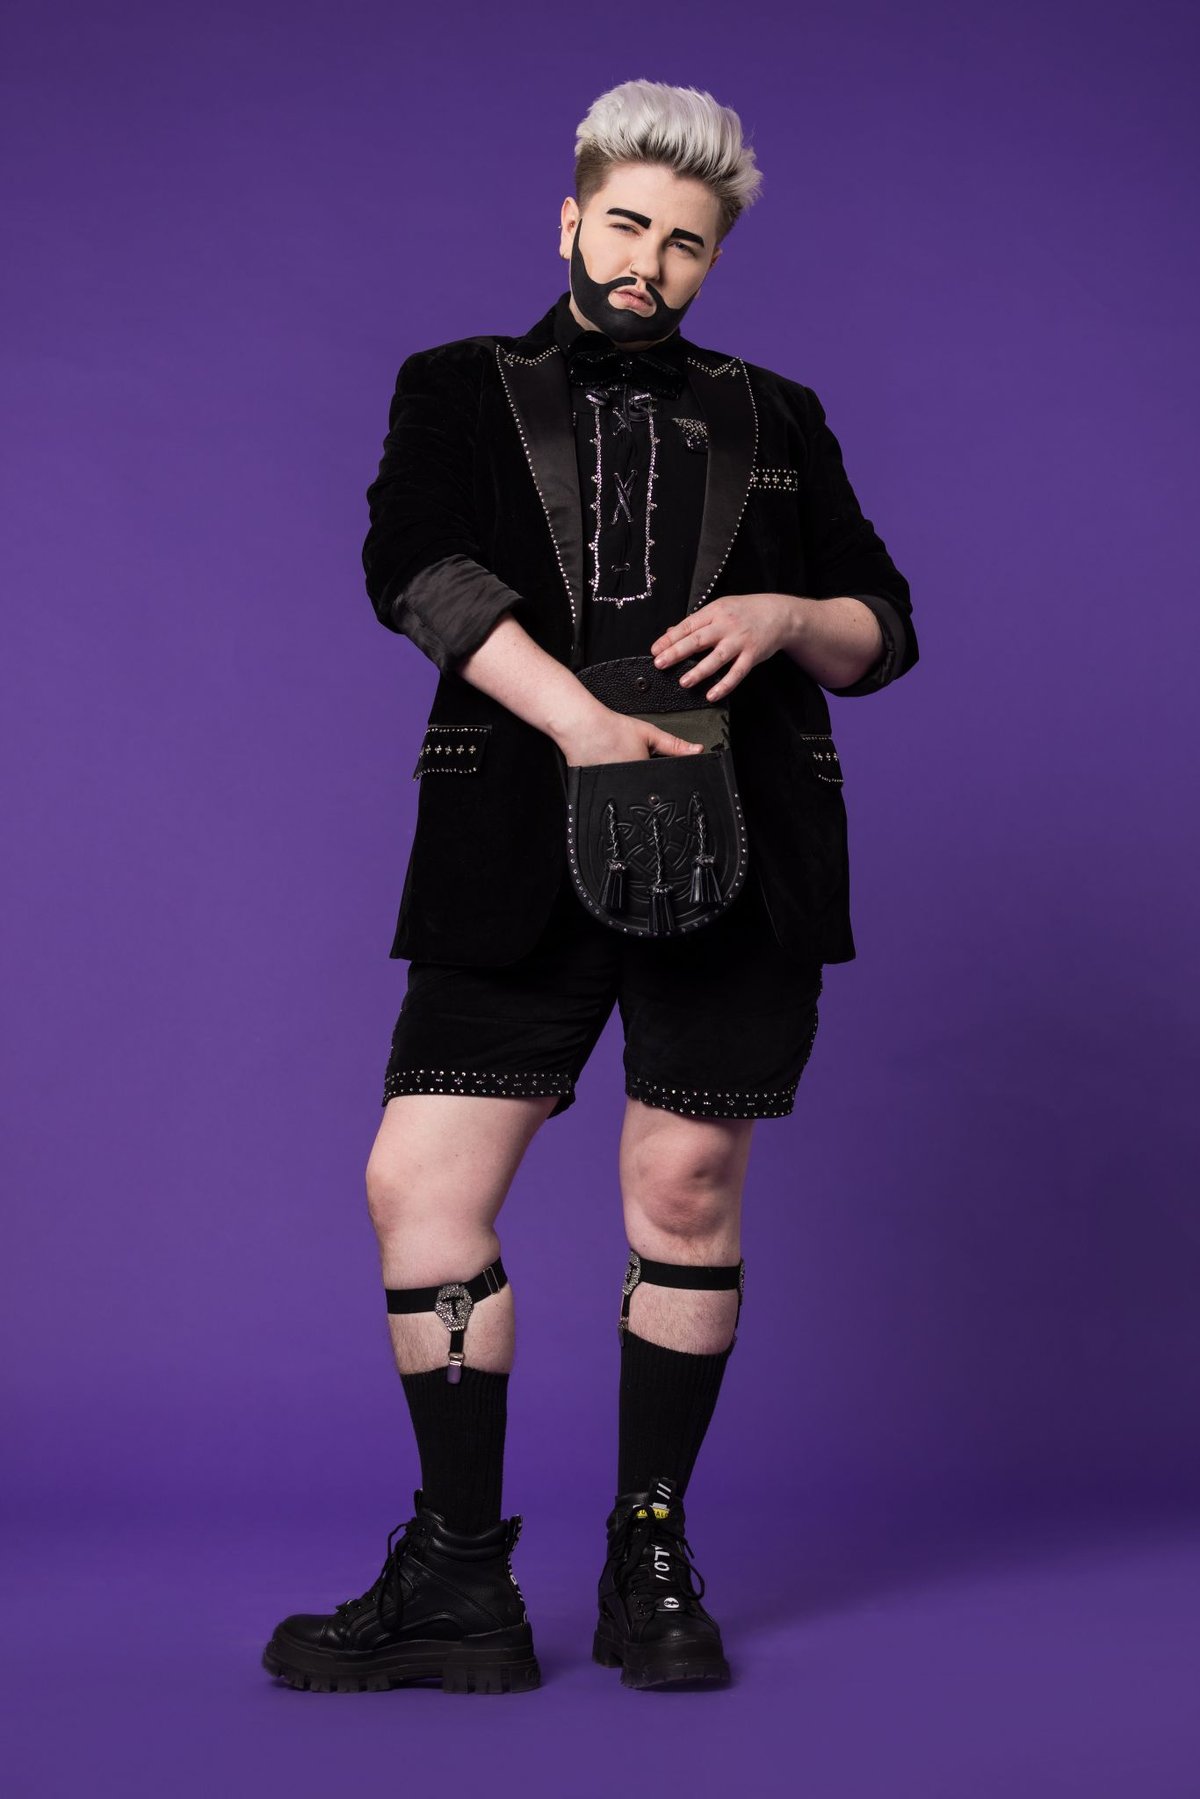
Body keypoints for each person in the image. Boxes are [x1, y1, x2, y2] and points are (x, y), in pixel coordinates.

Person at [262, 78, 917, 1696]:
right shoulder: (457, 387)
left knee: (684, 1190)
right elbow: (412, 565)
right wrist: (576, 721)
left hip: (738, 844)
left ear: (714, 258)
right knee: (420, 1185)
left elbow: (883, 630)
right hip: (512, 840)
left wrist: (784, 616)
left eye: (685, 243)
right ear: (569, 217)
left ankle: (650, 1556)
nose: (648, 263)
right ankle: (457, 1576)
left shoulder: (780, 414)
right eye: (625, 225)